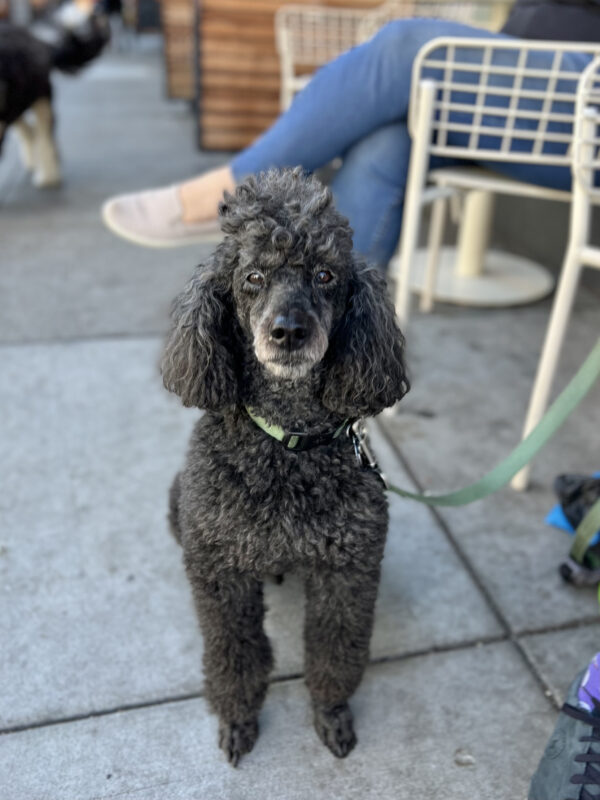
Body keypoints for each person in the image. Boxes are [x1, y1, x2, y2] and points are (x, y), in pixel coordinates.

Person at [102, 0, 600, 268]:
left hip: (585, 104)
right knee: (385, 142)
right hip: (526, 82)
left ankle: (232, 194)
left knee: (406, 47)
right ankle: (337, 351)